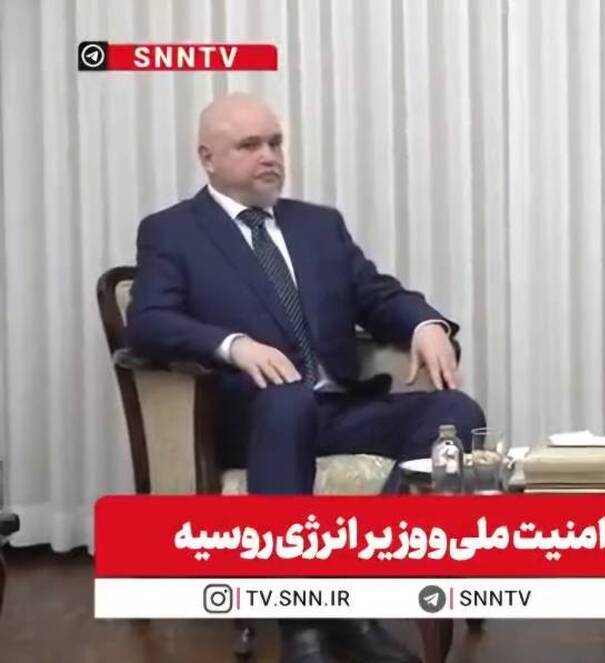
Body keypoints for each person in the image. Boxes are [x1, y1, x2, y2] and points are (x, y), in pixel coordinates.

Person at [126, 93, 484, 663]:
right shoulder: (173, 231)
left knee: (456, 413)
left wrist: (426, 324)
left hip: (337, 409)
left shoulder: (318, 225)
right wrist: (233, 345)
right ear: (208, 158)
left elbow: (377, 295)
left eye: (275, 142)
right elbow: (148, 322)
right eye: (250, 145)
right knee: (287, 400)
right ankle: (304, 625)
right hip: (254, 419)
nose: (269, 156)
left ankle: (357, 593)